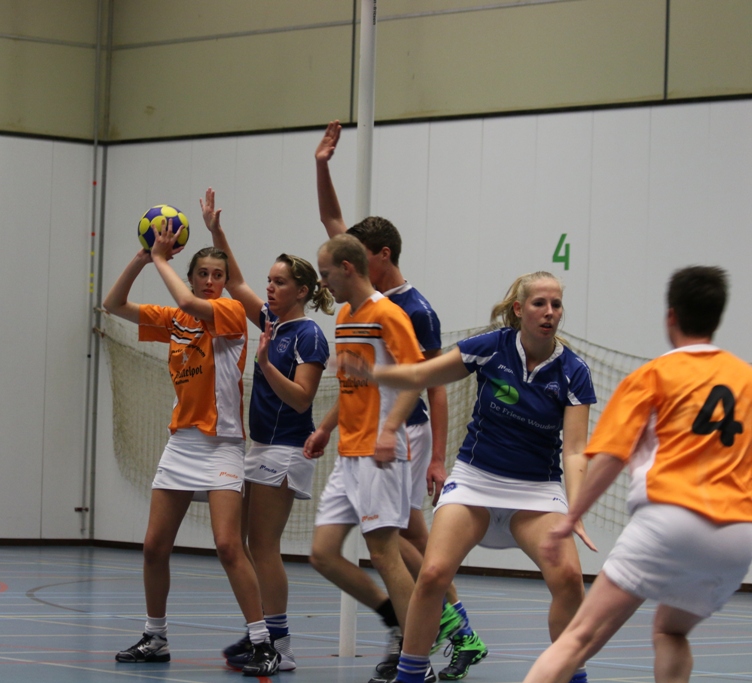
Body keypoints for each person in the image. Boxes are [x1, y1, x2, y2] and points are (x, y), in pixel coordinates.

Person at [340, 271, 597, 683]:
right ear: (519, 309)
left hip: (536, 490)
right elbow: (423, 375)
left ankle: (573, 676)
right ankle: (411, 674)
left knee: (568, 578)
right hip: (476, 479)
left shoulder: (573, 371)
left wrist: (577, 508)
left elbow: (575, 449)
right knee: (433, 574)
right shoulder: (492, 347)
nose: (550, 312)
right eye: (539, 304)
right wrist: (376, 374)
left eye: (556, 304)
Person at [522, 266, 752, 683]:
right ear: (717, 317)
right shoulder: (746, 379)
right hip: (737, 535)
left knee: (576, 639)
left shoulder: (652, 376)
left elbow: (611, 457)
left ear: (671, 315)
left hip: (671, 518)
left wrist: (570, 520)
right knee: (671, 630)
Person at [315, 120, 485, 681]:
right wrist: (322, 166)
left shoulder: (410, 310)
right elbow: (332, 226)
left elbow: (429, 381)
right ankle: (432, 628)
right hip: (363, 433)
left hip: (401, 432)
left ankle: (432, 640)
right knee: (398, 540)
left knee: (402, 542)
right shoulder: (351, 305)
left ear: (375, 258)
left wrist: (432, 454)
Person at [102, 221, 280, 676]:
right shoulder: (176, 321)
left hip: (222, 445)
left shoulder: (230, 312)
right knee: (153, 546)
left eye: (217, 274)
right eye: (202, 273)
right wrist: (142, 258)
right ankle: (155, 636)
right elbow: (113, 304)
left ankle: (263, 642)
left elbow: (186, 301)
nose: (209, 280)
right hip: (182, 443)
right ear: (193, 274)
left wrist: (161, 258)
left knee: (228, 545)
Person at [199, 189, 334, 672]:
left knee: (263, 546)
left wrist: (265, 365)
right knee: (245, 544)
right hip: (261, 446)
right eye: (270, 281)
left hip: (286, 449)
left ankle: (280, 645)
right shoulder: (272, 323)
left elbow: (301, 398)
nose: (270, 288)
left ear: (302, 290)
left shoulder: (308, 335)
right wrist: (216, 230)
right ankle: (262, 632)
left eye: (280, 282)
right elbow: (236, 282)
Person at [304, 234, 432, 683]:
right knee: (323, 554)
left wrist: (390, 430)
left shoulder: (388, 314)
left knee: (384, 553)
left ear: (347, 268)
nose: (323, 283)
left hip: (382, 453)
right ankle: (393, 617)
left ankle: (417, 662)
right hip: (348, 453)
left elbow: (415, 378)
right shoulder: (343, 316)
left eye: (325, 274)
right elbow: (351, 384)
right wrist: (326, 428)